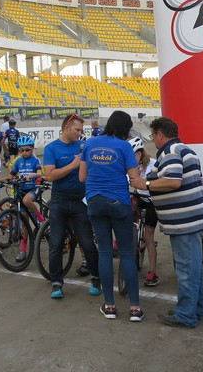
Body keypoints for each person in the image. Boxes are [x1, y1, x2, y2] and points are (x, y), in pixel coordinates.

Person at [137, 116, 203, 328]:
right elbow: (198, 179)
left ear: (160, 135)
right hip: (194, 219)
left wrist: (145, 184)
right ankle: (196, 309)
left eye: (153, 135)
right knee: (195, 268)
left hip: (184, 222)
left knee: (186, 270)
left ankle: (186, 315)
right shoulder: (186, 150)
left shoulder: (170, 153)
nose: (153, 139)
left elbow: (173, 181)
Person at [80, 110, 142, 322]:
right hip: (118, 202)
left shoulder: (90, 143)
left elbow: (82, 177)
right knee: (126, 254)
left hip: (95, 201)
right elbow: (134, 178)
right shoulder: (125, 146)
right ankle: (134, 308)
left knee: (105, 252)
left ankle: (109, 306)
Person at [43, 113, 100, 299]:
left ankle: (96, 278)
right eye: (77, 130)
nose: (80, 133)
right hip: (59, 200)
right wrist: (73, 165)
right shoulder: (51, 148)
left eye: (82, 130)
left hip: (80, 201)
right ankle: (56, 282)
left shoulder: (84, 146)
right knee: (55, 243)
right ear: (67, 127)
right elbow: (49, 176)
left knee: (87, 242)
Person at [130, 137, 161, 287]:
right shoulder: (131, 165)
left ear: (140, 153)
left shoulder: (154, 164)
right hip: (139, 198)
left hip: (152, 202)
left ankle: (153, 272)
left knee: (148, 236)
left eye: (133, 156)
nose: (131, 159)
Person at [9, 135, 45, 224]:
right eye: (22, 150)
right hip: (21, 189)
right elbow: (11, 175)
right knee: (24, 221)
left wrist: (33, 175)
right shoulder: (18, 161)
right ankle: (26, 234)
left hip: (33, 187)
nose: (24, 152)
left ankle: (39, 217)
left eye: (27, 150)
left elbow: (40, 173)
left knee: (26, 200)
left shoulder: (35, 160)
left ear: (32, 148)